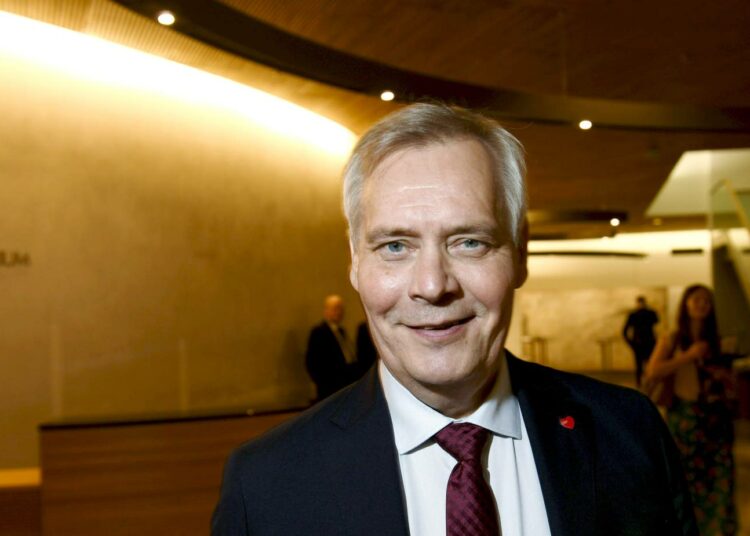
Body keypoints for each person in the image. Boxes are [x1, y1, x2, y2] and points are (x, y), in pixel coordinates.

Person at [213, 103, 696, 535]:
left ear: (520, 254)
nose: (432, 285)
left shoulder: (629, 436)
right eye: (395, 246)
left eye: (469, 242)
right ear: (355, 263)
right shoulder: (266, 487)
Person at [644, 284, 736, 535]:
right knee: (686, 478)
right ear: (685, 303)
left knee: (719, 479)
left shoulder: (718, 340)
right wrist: (689, 356)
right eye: (696, 299)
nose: (702, 304)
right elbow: (653, 371)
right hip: (685, 416)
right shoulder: (672, 338)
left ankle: (717, 529)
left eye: (707, 300)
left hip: (716, 418)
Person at [305, 294, 357, 400]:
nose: (339, 312)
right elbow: (311, 361)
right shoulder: (319, 332)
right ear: (326, 311)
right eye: (335, 309)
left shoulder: (341, 331)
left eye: (341, 309)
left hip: (346, 385)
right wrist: (322, 383)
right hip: (329, 388)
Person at [623, 295, 659, 386]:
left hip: (649, 342)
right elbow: (625, 331)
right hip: (639, 343)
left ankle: (648, 382)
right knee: (639, 365)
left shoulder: (649, 313)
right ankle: (639, 382)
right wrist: (631, 343)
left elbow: (656, 320)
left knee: (650, 363)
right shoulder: (634, 315)